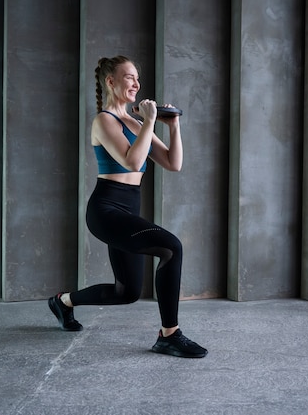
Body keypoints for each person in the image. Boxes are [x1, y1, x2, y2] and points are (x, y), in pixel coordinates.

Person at [48, 55, 207, 358]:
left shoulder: (135, 122)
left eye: (137, 77)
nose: (137, 83)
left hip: (128, 209)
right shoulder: (103, 121)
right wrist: (149, 121)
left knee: (126, 293)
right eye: (130, 77)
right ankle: (169, 335)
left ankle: (63, 301)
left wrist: (172, 125)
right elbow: (133, 161)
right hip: (106, 211)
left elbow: (173, 164)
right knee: (171, 247)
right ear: (111, 81)